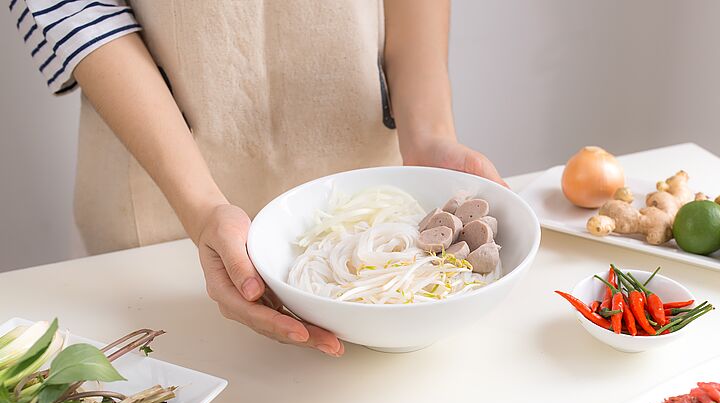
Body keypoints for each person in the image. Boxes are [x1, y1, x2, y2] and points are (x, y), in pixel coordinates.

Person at [11, 0, 504, 356]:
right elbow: (71, 11)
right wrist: (202, 207)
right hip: (163, 194)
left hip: (370, 173)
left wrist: (430, 137)